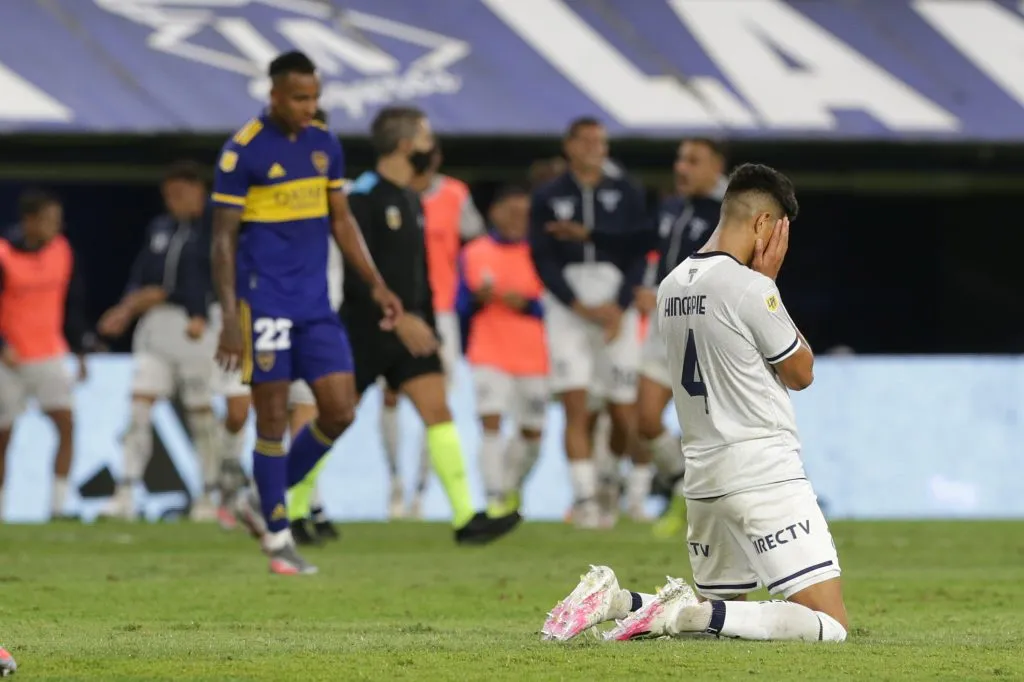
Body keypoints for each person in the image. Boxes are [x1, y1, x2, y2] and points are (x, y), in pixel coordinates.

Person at [542, 164, 849, 644]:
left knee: (725, 616)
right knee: (831, 627)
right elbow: (801, 372)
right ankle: (683, 615)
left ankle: (619, 602)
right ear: (765, 225)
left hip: (702, 476)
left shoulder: (670, 286)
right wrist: (770, 284)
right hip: (763, 470)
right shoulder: (750, 288)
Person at [210, 51, 402, 575]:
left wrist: (377, 285)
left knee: (339, 410)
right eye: (299, 97)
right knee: (271, 419)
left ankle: (260, 498)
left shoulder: (324, 145)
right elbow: (222, 242)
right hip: (263, 302)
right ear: (274, 94)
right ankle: (277, 537)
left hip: (316, 305)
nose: (309, 106)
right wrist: (230, 319)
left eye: (315, 97)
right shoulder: (242, 152)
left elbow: (341, 222)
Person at [338, 105, 520, 544]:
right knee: (334, 415)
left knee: (437, 410)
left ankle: (465, 517)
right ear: (405, 145)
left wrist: (427, 322)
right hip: (367, 328)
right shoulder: (361, 197)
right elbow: (356, 273)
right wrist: (397, 318)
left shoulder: (411, 198)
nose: (431, 145)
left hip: (416, 326)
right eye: (425, 137)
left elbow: (419, 270)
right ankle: (296, 508)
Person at [530, 117, 651, 529]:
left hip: (615, 299)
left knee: (622, 411)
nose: (593, 148)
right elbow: (541, 256)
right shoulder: (548, 195)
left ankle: (607, 485)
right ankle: (583, 501)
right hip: (568, 306)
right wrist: (575, 303)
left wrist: (619, 305)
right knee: (575, 405)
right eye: (585, 140)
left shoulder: (627, 192)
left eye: (600, 141)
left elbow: (639, 252)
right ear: (568, 146)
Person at [97, 161, 223, 521]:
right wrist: (126, 307)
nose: (173, 201)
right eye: (168, 195)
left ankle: (210, 494)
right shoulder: (161, 228)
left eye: (180, 193)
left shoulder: (217, 227)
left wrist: (190, 302)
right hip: (156, 327)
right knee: (139, 408)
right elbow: (141, 276)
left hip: (196, 326)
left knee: (200, 414)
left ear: (199, 189)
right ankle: (125, 492)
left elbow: (222, 273)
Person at [373, 140, 485, 520]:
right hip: (393, 310)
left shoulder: (455, 194)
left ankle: (421, 492)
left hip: (442, 314)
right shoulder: (379, 194)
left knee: (436, 404)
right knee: (388, 397)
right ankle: (394, 483)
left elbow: (475, 241)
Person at [636, 139, 727, 538]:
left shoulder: (733, 211)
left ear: (717, 167)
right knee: (645, 417)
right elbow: (657, 256)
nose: (682, 167)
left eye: (693, 161)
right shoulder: (673, 206)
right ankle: (678, 485)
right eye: (679, 159)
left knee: (704, 428)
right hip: (663, 322)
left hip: (703, 331)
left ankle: (700, 507)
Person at [0, 190, 92, 520]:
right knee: (3, 437)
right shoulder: (4, 254)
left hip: (50, 354)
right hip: (9, 361)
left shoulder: (62, 251)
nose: (56, 227)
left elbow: (72, 305)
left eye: (58, 220)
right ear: (29, 221)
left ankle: (58, 506)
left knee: (66, 425)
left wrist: (80, 350)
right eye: (49, 220)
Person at [456, 184, 547, 516]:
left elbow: (556, 305)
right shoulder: (474, 252)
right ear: (494, 213)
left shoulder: (540, 252)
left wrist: (528, 306)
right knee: (491, 422)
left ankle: (511, 486)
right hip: (488, 350)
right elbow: (459, 304)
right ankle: (494, 497)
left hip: (535, 355)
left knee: (533, 435)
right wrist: (475, 301)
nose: (517, 219)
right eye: (510, 212)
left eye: (524, 214)